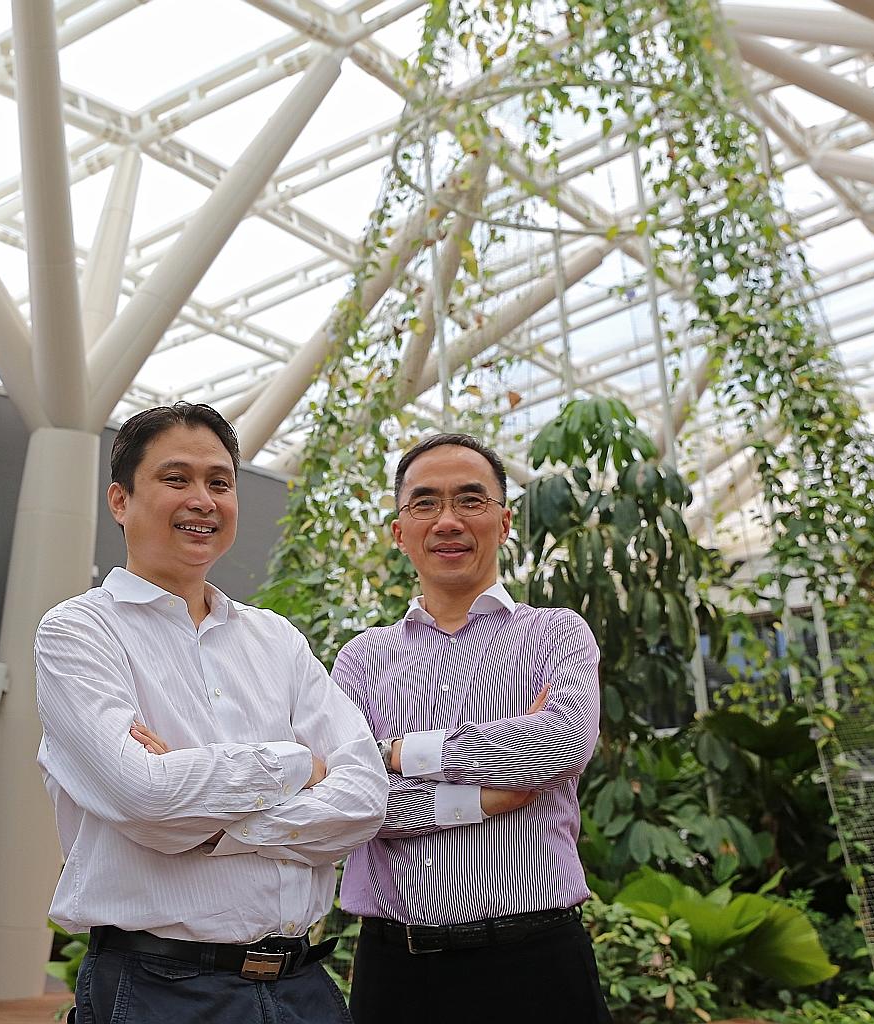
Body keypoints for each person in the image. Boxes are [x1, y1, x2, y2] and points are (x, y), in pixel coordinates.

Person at [36, 402, 387, 1024]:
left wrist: (222, 826)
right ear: (120, 501)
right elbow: (144, 797)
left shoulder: (276, 639)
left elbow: (363, 801)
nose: (203, 500)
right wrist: (299, 764)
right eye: (177, 480)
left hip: (302, 987)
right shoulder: (78, 632)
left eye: (219, 483)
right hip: (158, 989)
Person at [332, 433, 611, 1023]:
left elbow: (563, 741)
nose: (448, 521)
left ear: (505, 522)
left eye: (470, 501)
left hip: (539, 962)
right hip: (400, 970)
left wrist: (399, 754)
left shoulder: (555, 633)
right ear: (399, 531)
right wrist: (480, 799)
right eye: (425, 503)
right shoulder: (363, 658)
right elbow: (353, 802)